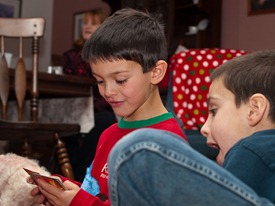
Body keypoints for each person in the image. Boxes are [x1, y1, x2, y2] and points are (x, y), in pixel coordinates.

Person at [28, 8, 187, 206]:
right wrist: (64, 189)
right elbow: (97, 193)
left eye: (120, 80)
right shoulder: (109, 133)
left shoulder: (166, 144)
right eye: (100, 81)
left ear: (156, 72)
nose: (108, 91)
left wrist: (77, 202)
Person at [107, 49, 275, 205]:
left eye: (214, 111)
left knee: (138, 149)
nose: (204, 128)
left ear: (254, 110)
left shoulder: (251, 148)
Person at [62, 8, 117, 182]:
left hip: (98, 107)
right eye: (85, 23)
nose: (87, 26)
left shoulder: (109, 57)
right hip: (75, 106)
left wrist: (93, 107)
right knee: (68, 125)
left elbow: (109, 88)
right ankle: (71, 173)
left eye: (93, 23)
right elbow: (67, 83)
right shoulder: (71, 55)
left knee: (105, 121)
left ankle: (84, 173)